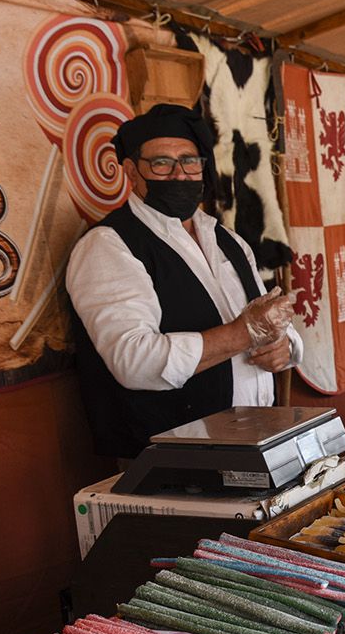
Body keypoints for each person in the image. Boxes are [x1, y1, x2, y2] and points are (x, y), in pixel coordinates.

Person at [65, 104, 299, 460]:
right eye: (161, 163)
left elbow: (266, 322)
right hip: (168, 461)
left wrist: (285, 346)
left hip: (256, 439)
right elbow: (134, 361)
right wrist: (243, 333)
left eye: (190, 161)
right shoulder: (109, 245)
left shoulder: (229, 241)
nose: (179, 174)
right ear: (131, 171)